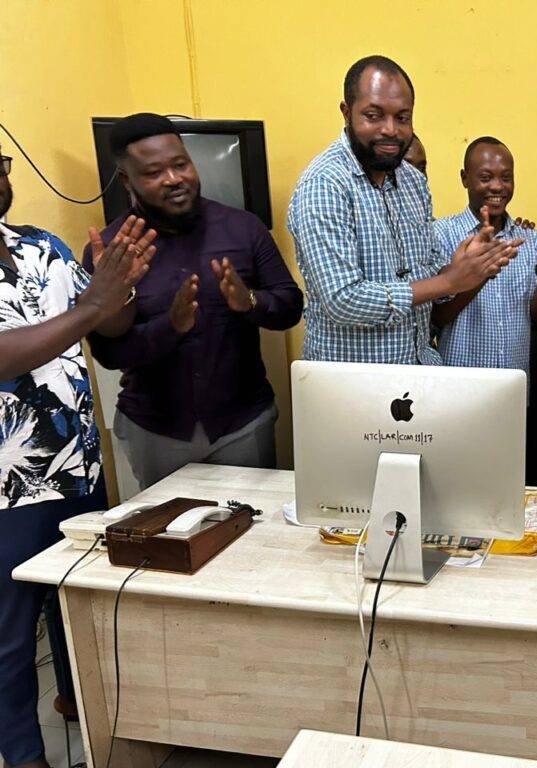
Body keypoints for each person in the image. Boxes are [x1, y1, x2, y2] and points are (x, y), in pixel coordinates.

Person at [0, 145, 155, 768]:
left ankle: (78, 704)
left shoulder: (43, 245)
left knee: (76, 607)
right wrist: (96, 304)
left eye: (1, 161)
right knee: (10, 638)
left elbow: (107, 327)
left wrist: (121, 285)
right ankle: (23, 753)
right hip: (8, 488)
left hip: (78, 467)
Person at [84, 113, 304, 490]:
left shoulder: (243, 228)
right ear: (126, 180)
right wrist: (170, 328)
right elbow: (108, 353)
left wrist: (249, 301)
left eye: (180, 164)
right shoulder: (113, 252)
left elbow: (290, 306)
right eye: (154, 172)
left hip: (243, 424)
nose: (174, 179)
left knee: (253, 535)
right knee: (169, 542)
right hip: (155, 430)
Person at [289, 55, 521, 365]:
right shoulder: (325, 184)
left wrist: (463, 266)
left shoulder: (412, 181)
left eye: (402, 117)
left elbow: (430, 271)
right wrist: (447, 282)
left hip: (418, 369)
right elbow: (342, 300)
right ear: (347, 113)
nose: (391, 130)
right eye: (373, 115)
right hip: (352, 386)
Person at [433, 136, 537, 373]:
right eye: (485, 177)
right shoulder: (440, 234)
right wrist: (480, 273)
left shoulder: (529, 239)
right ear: (464, 178)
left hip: (513, 385)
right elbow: (437, 318)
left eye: (506, 177)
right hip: (459, 386)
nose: (497, 186)